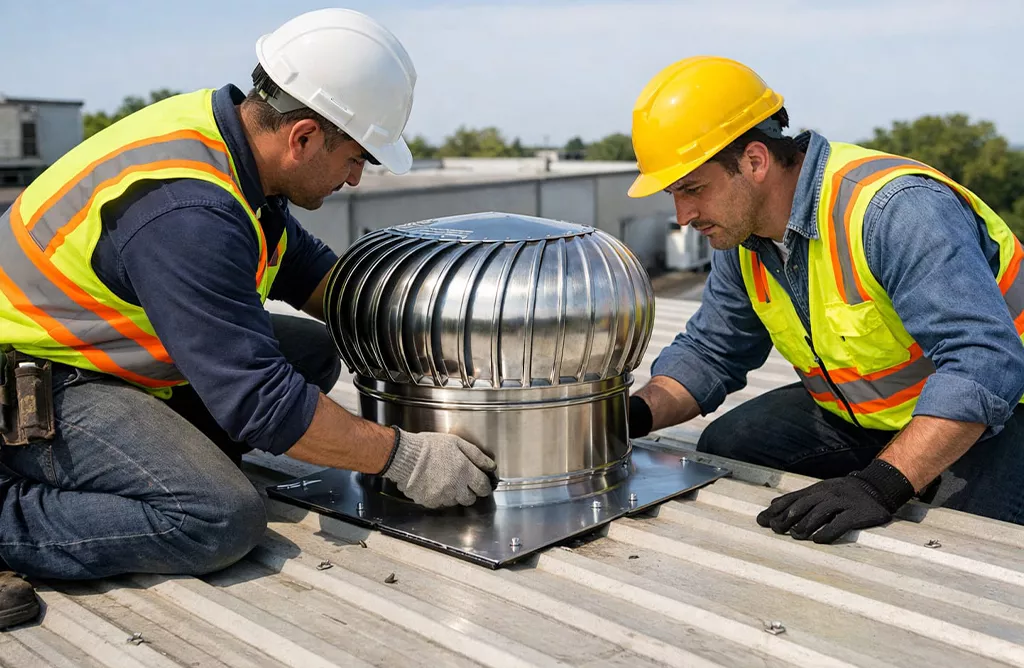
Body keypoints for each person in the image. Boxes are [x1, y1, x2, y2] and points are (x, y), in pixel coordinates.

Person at [0, 8, 496, 628]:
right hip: (38, 384)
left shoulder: (233, 155)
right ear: (304, 136)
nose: (356, 178)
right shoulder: (186, 211)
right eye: (355, 157)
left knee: (311, 352)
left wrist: (430, 336)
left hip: (102, 351)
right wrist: (403, 457)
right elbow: (259, 400)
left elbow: (320, 281)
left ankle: (155, 460)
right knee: (218, 518)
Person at [625, 56, 1024, 545]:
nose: (683, 215)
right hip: (866, 412)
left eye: (693, 189)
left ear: (754, 161)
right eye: (673, 194)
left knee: (967, 543)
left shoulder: (895, 211)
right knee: (730, 444)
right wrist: (628, 419)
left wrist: (878, 486)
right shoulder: (743, 236)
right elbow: (713, 351)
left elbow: (984, 365)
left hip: (999, 416)